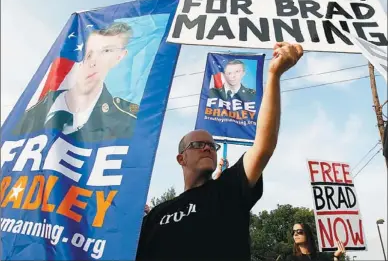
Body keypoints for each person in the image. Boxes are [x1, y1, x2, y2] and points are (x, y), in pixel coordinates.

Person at [136, 42, 304, 261]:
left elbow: (263, 147)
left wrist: (274, 75)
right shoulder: (157, 215)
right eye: (198, 145)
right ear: (181, 158)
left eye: (211, 146)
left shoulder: (228, 188)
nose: (207, 147)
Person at [12, 22, 139, 142]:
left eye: (106, 51)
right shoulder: (25, 116)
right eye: (87, 54)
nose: (93, 62)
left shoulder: (127, 123)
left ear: (119, 57)